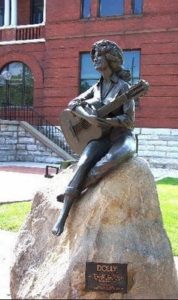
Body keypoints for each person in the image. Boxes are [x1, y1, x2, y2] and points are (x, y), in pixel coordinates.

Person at [52, 40, 136, 236]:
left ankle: (77, 189)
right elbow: (73, 103)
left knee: (113, 159)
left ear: (109, 59)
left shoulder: (124, 87)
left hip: (122, 136)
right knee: (83, 163)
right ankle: (62, 216)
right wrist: (89, 117)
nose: (95, 59)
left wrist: (111, 121)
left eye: (99, 55)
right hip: (101, 137)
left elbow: (129, 120)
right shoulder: (96, 87)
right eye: (94, 56)